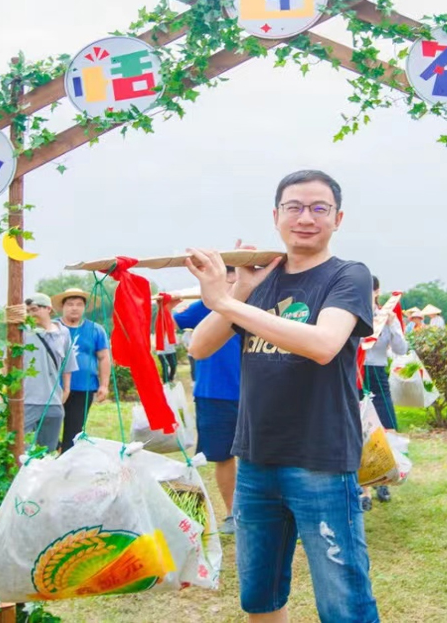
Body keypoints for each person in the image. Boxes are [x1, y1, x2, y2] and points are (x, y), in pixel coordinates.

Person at [185, 170, 379, 623]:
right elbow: (199, 346)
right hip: (255, 457)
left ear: (338, 218)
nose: (305, 218)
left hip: (321, 458)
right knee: (260, 594)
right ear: (276, 216)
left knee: (343, 598)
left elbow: (322, 344)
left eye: (319, 208)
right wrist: (241, 289)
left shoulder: (347, 275)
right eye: (294, 207)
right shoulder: (260, 280)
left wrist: (226, 302)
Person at [173, 265, 243, 535]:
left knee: (261, 458)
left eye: (234, 271)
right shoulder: (205, 307)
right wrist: (171, 306)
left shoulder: (258, 304)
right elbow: (169, 325)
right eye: (225, 271)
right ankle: (232, 514)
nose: (230, 276)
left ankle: (263, 514)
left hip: (256, 392)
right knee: (223, 456)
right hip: (214, 393)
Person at [362, 274, 406, 507]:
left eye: (368, 289)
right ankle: (364, 489)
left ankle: (384, 480)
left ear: (377, 292)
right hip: (356, 376)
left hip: (378, 375)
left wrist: (390, 324)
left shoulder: (387, 316)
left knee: (386, 429)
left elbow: (401, 348)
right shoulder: (351, 314)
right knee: (361, 431)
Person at [53, 288, 112, 451]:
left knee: (74, 429)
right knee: (49, 427)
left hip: (83, 387)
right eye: (70, 304)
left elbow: (104, 357)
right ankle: (47, 458)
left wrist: (104, 385)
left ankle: (66, 464)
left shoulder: (95, 329)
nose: (74, 308)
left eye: (79, 304)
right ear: (63, 307)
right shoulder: (53, 328)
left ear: (84, 308)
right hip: (54, 387)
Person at [22, 292, 77, 452]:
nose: (31, 314)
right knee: (21, 451)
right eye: (28, 311)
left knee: (47, 450)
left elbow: (67, 363)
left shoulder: (63, 333)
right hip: (27, 400)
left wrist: (66, 389)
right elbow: (7, 364)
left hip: (53, 400)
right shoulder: (22, 332)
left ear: (48, 309)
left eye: (34, 309)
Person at [155, 293, 179, 383]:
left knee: (173, 365)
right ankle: (166, 382)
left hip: (170, 349)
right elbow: (162, 312)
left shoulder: (169, 320)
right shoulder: (160, 320)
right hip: (162, 350)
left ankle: (170, 379)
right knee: (165, 367)